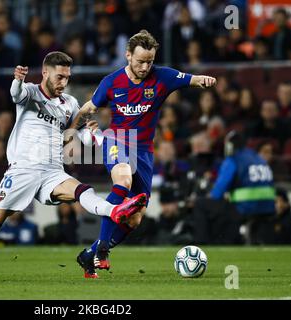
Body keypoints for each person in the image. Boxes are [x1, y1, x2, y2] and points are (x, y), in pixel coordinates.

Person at [0, 51, 147, 280]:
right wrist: (18, 80)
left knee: (82, 190)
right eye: (59, 77)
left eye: (67, 77)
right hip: (23, 169)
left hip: (52, 171)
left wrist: (95, 136)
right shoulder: (31, 92)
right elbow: (16, 94)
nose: (63, 83)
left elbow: (79, 133)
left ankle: (115, 210)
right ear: (45, 73)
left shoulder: (70, 104)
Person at [71, 30, 216, 276]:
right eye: (140, 61)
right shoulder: (112, 82)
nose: (145, 66)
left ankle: (88, 254)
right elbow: (90, 106)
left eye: (150, 61)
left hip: (145, 151)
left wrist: (203, 79)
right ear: (128, 56)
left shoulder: (163, 77)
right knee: (123, 180)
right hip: (117, 140)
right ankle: (102, 249)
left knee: (136, 219)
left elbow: (190, 78)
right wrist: (70, 131)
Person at [192, 131, 276, 244]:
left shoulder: (233, 159)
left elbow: (217, 193)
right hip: (268, 208)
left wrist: (210, 195)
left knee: (200, 204)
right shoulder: (258, 158)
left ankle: (201, 244)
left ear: (229, 146)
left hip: (245, 208)